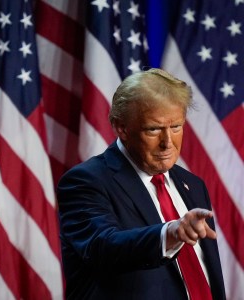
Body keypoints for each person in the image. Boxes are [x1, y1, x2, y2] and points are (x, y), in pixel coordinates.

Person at [57, 68, 226, 299]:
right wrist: (171, 233)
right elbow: (103, 246)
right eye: (154, 129)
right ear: (121, 128)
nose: (168, 142)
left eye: (176, 126)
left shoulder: (192, 185)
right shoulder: (86, 181)